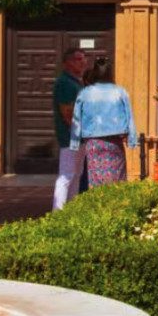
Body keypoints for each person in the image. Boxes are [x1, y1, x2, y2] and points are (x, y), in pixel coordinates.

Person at [72, 56, 134, 189]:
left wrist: (75, 142)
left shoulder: (85, 93)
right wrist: (132, 139)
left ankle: (99, 207)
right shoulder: (120, 91)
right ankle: (116, 207)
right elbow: (129, 115)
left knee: (96, 180)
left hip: (93, 142)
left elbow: (77, 118)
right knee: (117, 179)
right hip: (114, 142)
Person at [51, 46, 89, 211]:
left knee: (76, 175)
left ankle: (70, 210)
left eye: (83, 59)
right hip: (71, 138)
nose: (82, 62)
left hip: (79, 137)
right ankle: (58, 212)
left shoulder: (76, 82)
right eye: (77, 59)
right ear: (66, 63)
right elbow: (67, 113)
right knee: (66, 175)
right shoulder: (65, 83)